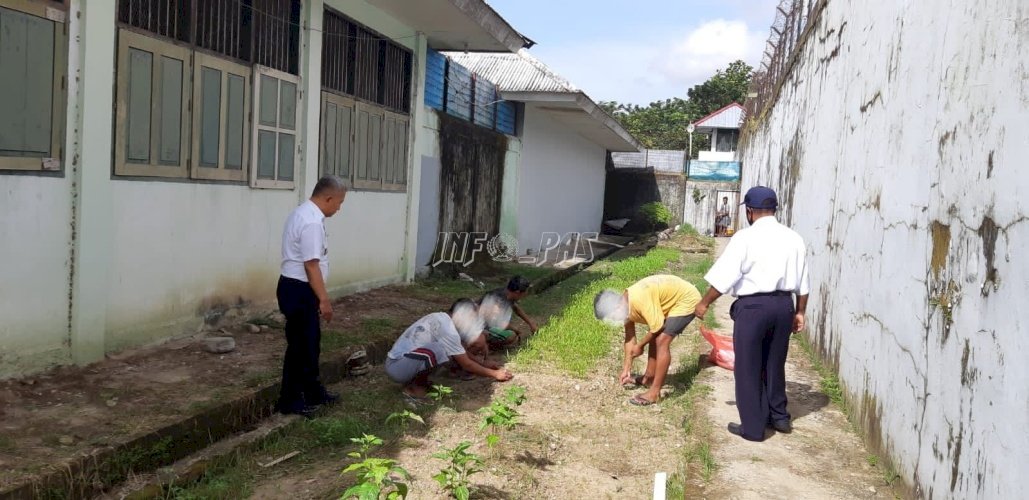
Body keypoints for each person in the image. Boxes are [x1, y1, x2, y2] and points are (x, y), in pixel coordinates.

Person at [693, 185, 810, 442]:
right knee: (774, 362)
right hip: (784, 306)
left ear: (750, 211)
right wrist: (800, 312)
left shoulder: (745, 238)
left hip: (754, 308)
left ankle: (753, 428)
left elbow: (725, 277)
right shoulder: (794, 238)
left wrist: (704, 303)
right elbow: (803, 282)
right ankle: (779, 417)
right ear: (774, 209)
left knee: (748, 367)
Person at [276, 176, 348, 417]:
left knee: (310, 345)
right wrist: (324, 300)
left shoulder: (304, 213)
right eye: (339, 202)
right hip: (300, 290)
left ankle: (313, 391)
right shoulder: (312, 222)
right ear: (328, 198)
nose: (339, 208)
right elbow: (311, 266)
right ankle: (291, 401)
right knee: (299, 347)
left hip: (296, 287)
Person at [593, 275, 701, 406]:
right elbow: (629, 338)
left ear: (616, 307)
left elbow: (658, 326)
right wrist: (626, 368)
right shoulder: (625, 303)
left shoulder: (638, 299)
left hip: (687, 298)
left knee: (661, 341)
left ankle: (654, 393)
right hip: (675, 299)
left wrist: (641, 345)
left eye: (611, 316)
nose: (613, 320)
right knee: (655, 336)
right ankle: (648, 378)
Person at [385, 299, 514, 404]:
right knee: (439, 350)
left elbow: (460, 350)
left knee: (443, 350)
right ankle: (412, 390)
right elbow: (466, 363)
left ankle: (421, 382)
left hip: (399, 363)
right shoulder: (448, 330)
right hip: (398, 367)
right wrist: (495, 374)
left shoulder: (441, 317)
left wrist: (482, 363)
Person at [479, 276, 538, 348]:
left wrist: (530, 323)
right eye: (525, 292)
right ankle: (485, 344)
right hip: (480, 326)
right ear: (517, 292)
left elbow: (516, 308)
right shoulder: (498, 299)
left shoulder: (508, 293)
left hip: (489, 324)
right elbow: (498, 321)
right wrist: (515, 329)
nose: (526, 294)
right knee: (511, 336)